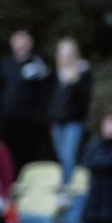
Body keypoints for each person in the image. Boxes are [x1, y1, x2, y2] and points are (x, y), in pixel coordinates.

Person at [0, 28, 51, 165]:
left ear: (30, 43)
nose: (21, 45)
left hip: (29, 119)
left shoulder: (37, 63)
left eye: (24, 41)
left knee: (28, 153)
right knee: (8, 153)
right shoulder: (5, 63)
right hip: (8, 118)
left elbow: (44, 89)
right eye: (18, 41)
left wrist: (40, 113)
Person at [46, 37, 92, 186]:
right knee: (62, 157)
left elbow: (83, 99)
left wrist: (74, 79)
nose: (66, 57)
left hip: (73, 122)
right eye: (62, 54)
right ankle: (68, 185)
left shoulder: (82, 72)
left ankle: (68, 187)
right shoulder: (56, 74)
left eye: (69, 54)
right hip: (56, 122)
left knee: (68, 155)